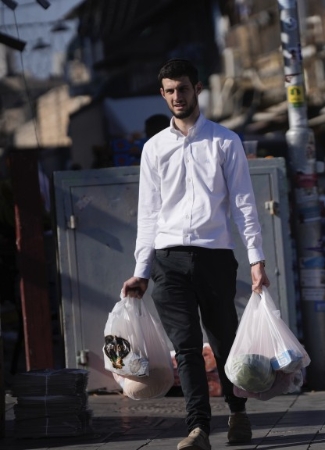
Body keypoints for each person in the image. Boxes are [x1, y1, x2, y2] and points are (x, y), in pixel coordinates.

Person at [121, 59, 269, 450]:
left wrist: (256, 259)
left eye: (182, 89)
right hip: (168, 260)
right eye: (169, 91)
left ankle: (237, 412)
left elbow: (243, 204)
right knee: (185, 346)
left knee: (223, 340)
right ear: (162, 94)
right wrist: (141, 271)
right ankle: (198, 428)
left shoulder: (224, 141)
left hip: (214, 256)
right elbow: (148, 213)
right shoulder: (153, 149)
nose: (176, 97)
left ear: (197, 89)